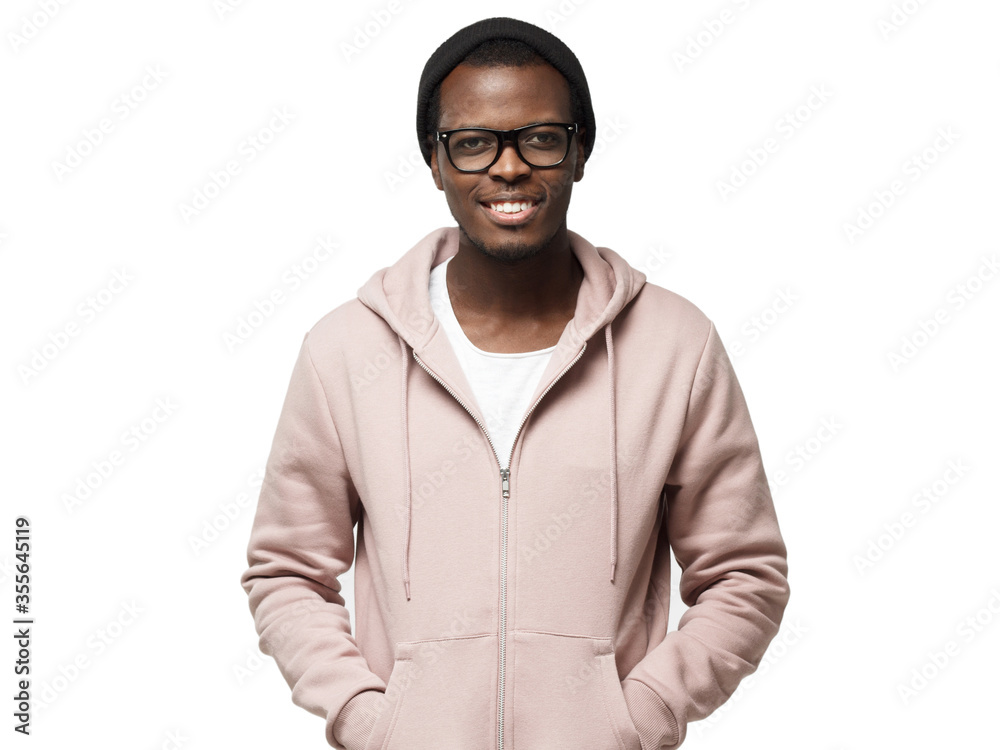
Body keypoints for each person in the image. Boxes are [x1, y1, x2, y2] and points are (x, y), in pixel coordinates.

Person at [240, 16, 789, 750]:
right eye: (472, 143)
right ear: (435, 162)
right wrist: (366, 719)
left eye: (539, 137)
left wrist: (644, 712)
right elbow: (286, 572)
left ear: (579, 152)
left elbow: (745, 574)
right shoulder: (346, 351)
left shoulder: (675, 346)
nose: (507, 168)